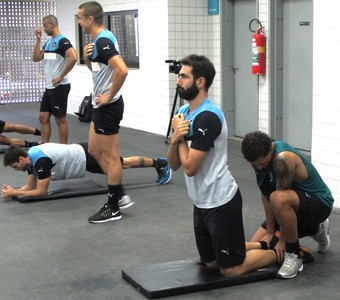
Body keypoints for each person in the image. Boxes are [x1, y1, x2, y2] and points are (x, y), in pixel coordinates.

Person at [167, 54, 277, 278]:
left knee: (230, 269)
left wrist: (178, 135)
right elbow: (174, 164)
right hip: (201, 201)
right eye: (179, 76)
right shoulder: (184, 114)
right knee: (210, 264)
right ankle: (263, 246)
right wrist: (176, 138)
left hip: (221, 201)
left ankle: (281, 252)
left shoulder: (208, 117)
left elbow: (190, 168)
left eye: (184, 77)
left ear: (200, 82)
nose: (178, 81)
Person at [241, 131, 334, 279]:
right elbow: (266, 196)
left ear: (271, 149)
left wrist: (283, 240)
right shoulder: (258, 160)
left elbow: (278, 199)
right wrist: (270, 232)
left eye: (263, 163)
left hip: (320, 203)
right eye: (256, 165)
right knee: (259, 244)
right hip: (291, 206)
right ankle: (317, 228)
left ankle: (294, 255)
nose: (259, 168)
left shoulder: (283, 159)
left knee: (278, 200)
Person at [77, 1, 129, 224]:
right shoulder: (99, 40)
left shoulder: (104, 40)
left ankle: (113, 206)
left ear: (90, 19)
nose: (78, 22)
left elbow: (122, 69)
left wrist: (108, 96)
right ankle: (120, 192)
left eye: (80, 18)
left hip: (108, 106)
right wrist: (89, 58)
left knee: (110, 156)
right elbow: (99, 71)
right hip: (99, 106)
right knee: (94, 150)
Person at [1, 143, 172, 208]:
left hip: (85, 157)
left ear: (22, 158)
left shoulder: (41, 161)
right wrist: (14, 190)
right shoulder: (31, 158)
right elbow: (30, 186)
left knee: (122, 164)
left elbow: (41, 192)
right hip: (81, 155)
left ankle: (160, 163)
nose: (16, 169)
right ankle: (159, 163)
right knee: (122, 163)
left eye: (15, 165)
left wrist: (16, 193)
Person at [33, 15, 78, 144]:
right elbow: (36, 58)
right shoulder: (48, 43)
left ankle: (63, 149)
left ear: (53, 25)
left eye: (45, 26)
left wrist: (60, 76)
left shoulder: (62, 41)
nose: (44, 29)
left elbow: (73, 57)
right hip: (49, 87)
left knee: (60, 119)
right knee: (43, 117)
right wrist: (38, 40)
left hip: (60, 86)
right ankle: (45, 146)